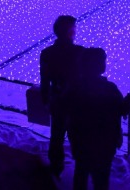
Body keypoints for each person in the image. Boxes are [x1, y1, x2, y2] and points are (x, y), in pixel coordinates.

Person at [65, 48, 130, 190]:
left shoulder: (74, 87)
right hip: (104, 142)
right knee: (101, 178)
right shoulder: (108, 88)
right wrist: (129, 102)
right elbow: (120, 110)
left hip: (80, 139)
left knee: (81, 172)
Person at [40, 15, 85, 177]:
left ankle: (56, 166)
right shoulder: (80, 52)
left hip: (57, 100)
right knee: (78, 136)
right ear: (69, 31)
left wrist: (46, 99)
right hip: (76, 101)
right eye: (73, 28)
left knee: (57, 135)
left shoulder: (47, 53)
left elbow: (44, 80)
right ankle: (81, 170)